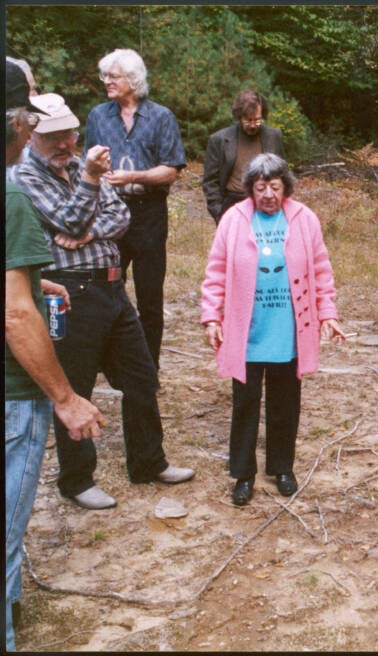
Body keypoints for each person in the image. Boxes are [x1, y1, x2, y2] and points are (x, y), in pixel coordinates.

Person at [11, 92, 195, 512]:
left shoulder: (78, 167)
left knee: (142, 376)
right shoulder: (25, 176)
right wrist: (91, 189)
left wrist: (88, 230)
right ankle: (77, 480)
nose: (65, 145)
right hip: (69, 291)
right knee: (76, 386)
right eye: (54, 137)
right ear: (32, 136)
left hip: (113, 287)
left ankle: (149, 462)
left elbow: (121, 217)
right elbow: (70, 219)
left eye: (70, 135)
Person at [5, 64, 105, 651]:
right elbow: (15, 317)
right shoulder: (15, 193)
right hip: (14, 398)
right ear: (20, 125)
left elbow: (110, 219)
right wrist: (64, 399)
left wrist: (33, 279)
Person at [201, 153, 346, 506]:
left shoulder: (304, 219)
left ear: (286, 188)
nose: (267, 194)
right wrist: (211, 317)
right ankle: (243, 474)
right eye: (260, 186)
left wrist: (328, 313)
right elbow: (216, 271)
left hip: (288, 329)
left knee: (285, 403)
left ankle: (282, 467)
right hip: (247, 331)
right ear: (250, 188)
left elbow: (322, 272)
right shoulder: (233, 220)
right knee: (245, 404)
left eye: (275, 186)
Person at [84, 48, 186, 370]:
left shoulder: (161, 117)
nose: (107, 82)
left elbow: (171, 169)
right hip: (109, 213)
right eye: (105, 76)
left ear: (133, 79)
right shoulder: (98, 116)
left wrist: (133, 176)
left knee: (149, 297)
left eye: (113, 76)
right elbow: (86, 167)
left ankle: (147, 369)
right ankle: (107, 363)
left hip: (148, 215)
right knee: (105, 287)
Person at [203, 90, 285, 224]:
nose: (253, 125)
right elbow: (210, 181)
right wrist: (219, 212)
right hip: (232, 203)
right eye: (248, 120)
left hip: (267, 202)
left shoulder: (274, 136)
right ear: (239, 117)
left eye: (257, 120)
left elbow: (283, 174)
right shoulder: (219, 139)